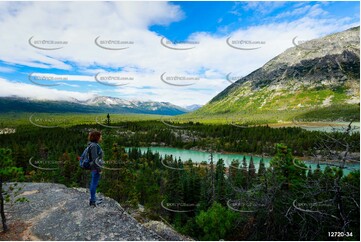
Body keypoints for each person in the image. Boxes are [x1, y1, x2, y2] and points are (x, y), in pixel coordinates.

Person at [87, 130, 104, 207]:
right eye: (100, 136)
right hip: (95, 168)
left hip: (95, 167)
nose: (101, 137)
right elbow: (95, 160)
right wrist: (99, 169)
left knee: (94, 183)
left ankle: (94, 198)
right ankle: (93, 201)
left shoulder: (93, 144)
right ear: (97, 137)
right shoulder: (94, 146)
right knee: (94, 183)